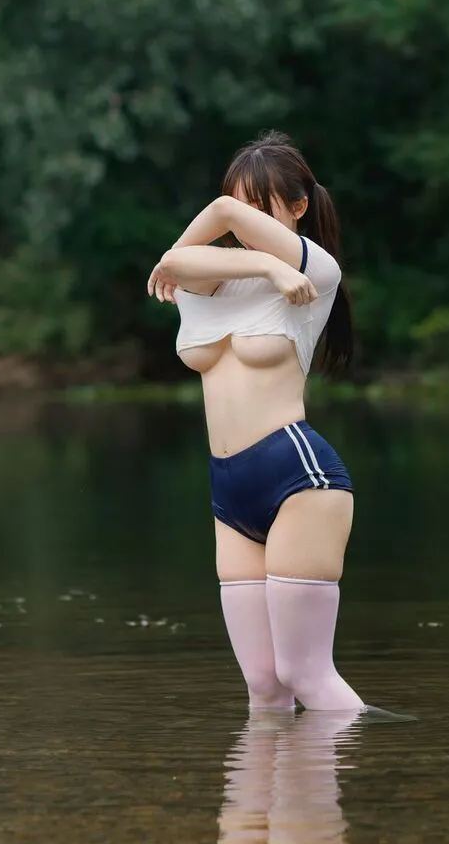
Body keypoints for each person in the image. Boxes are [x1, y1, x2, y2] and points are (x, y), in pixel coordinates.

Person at [147, 131, 364, 713]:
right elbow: (172, 261)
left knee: (304, 675)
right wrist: (261, 259)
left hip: (297, 477)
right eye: (237, 207)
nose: (243, 220)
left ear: (298, 207)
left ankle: (369, 757)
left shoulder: (316, 274)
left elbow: (216, 229)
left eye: (260, 207)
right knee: (264, 687)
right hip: (228, 489)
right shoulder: (211, 283)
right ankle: (264, 780)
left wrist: (269, 260)